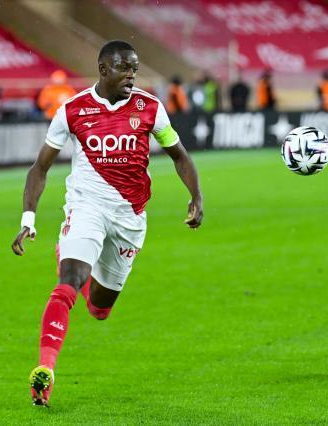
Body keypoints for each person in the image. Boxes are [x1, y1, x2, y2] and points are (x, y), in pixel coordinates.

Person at [11, 40, 204, 406]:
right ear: (103, 69)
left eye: (135, 69)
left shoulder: (150, 108)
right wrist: (28, 218)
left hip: (130, 217)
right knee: (69, 280)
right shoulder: (72, 110)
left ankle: (81, 269)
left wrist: (196, 196)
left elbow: (179, 155)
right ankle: (45, 371)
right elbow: (40, 168)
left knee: (100, 308)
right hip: (87, 207)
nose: (132, 76)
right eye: (124, 68)